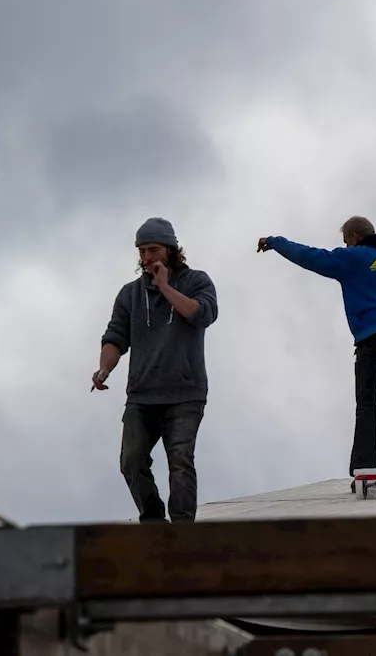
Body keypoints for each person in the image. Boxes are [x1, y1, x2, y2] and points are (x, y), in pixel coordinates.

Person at [257, 216, 376, 486]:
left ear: (354, 236)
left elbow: (310, 256)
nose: (345, 245)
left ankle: (364, 468)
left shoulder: (350, 258)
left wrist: (275, 242)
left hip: (370, 338)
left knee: (367, 404)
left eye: (346, 240)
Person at [92, 217, 219, 523]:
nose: (147, 258)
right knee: (131, 461)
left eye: (153, 250)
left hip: (185, 394)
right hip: (142, 395)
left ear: (171, 250)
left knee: (180, 461)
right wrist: (103, 369)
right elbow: (115, 337)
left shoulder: (196, 281)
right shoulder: (130, 294)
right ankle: (153, 521)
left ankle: (182, 527)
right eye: (142, 251)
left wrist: (164, 287)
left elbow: (202, 314)